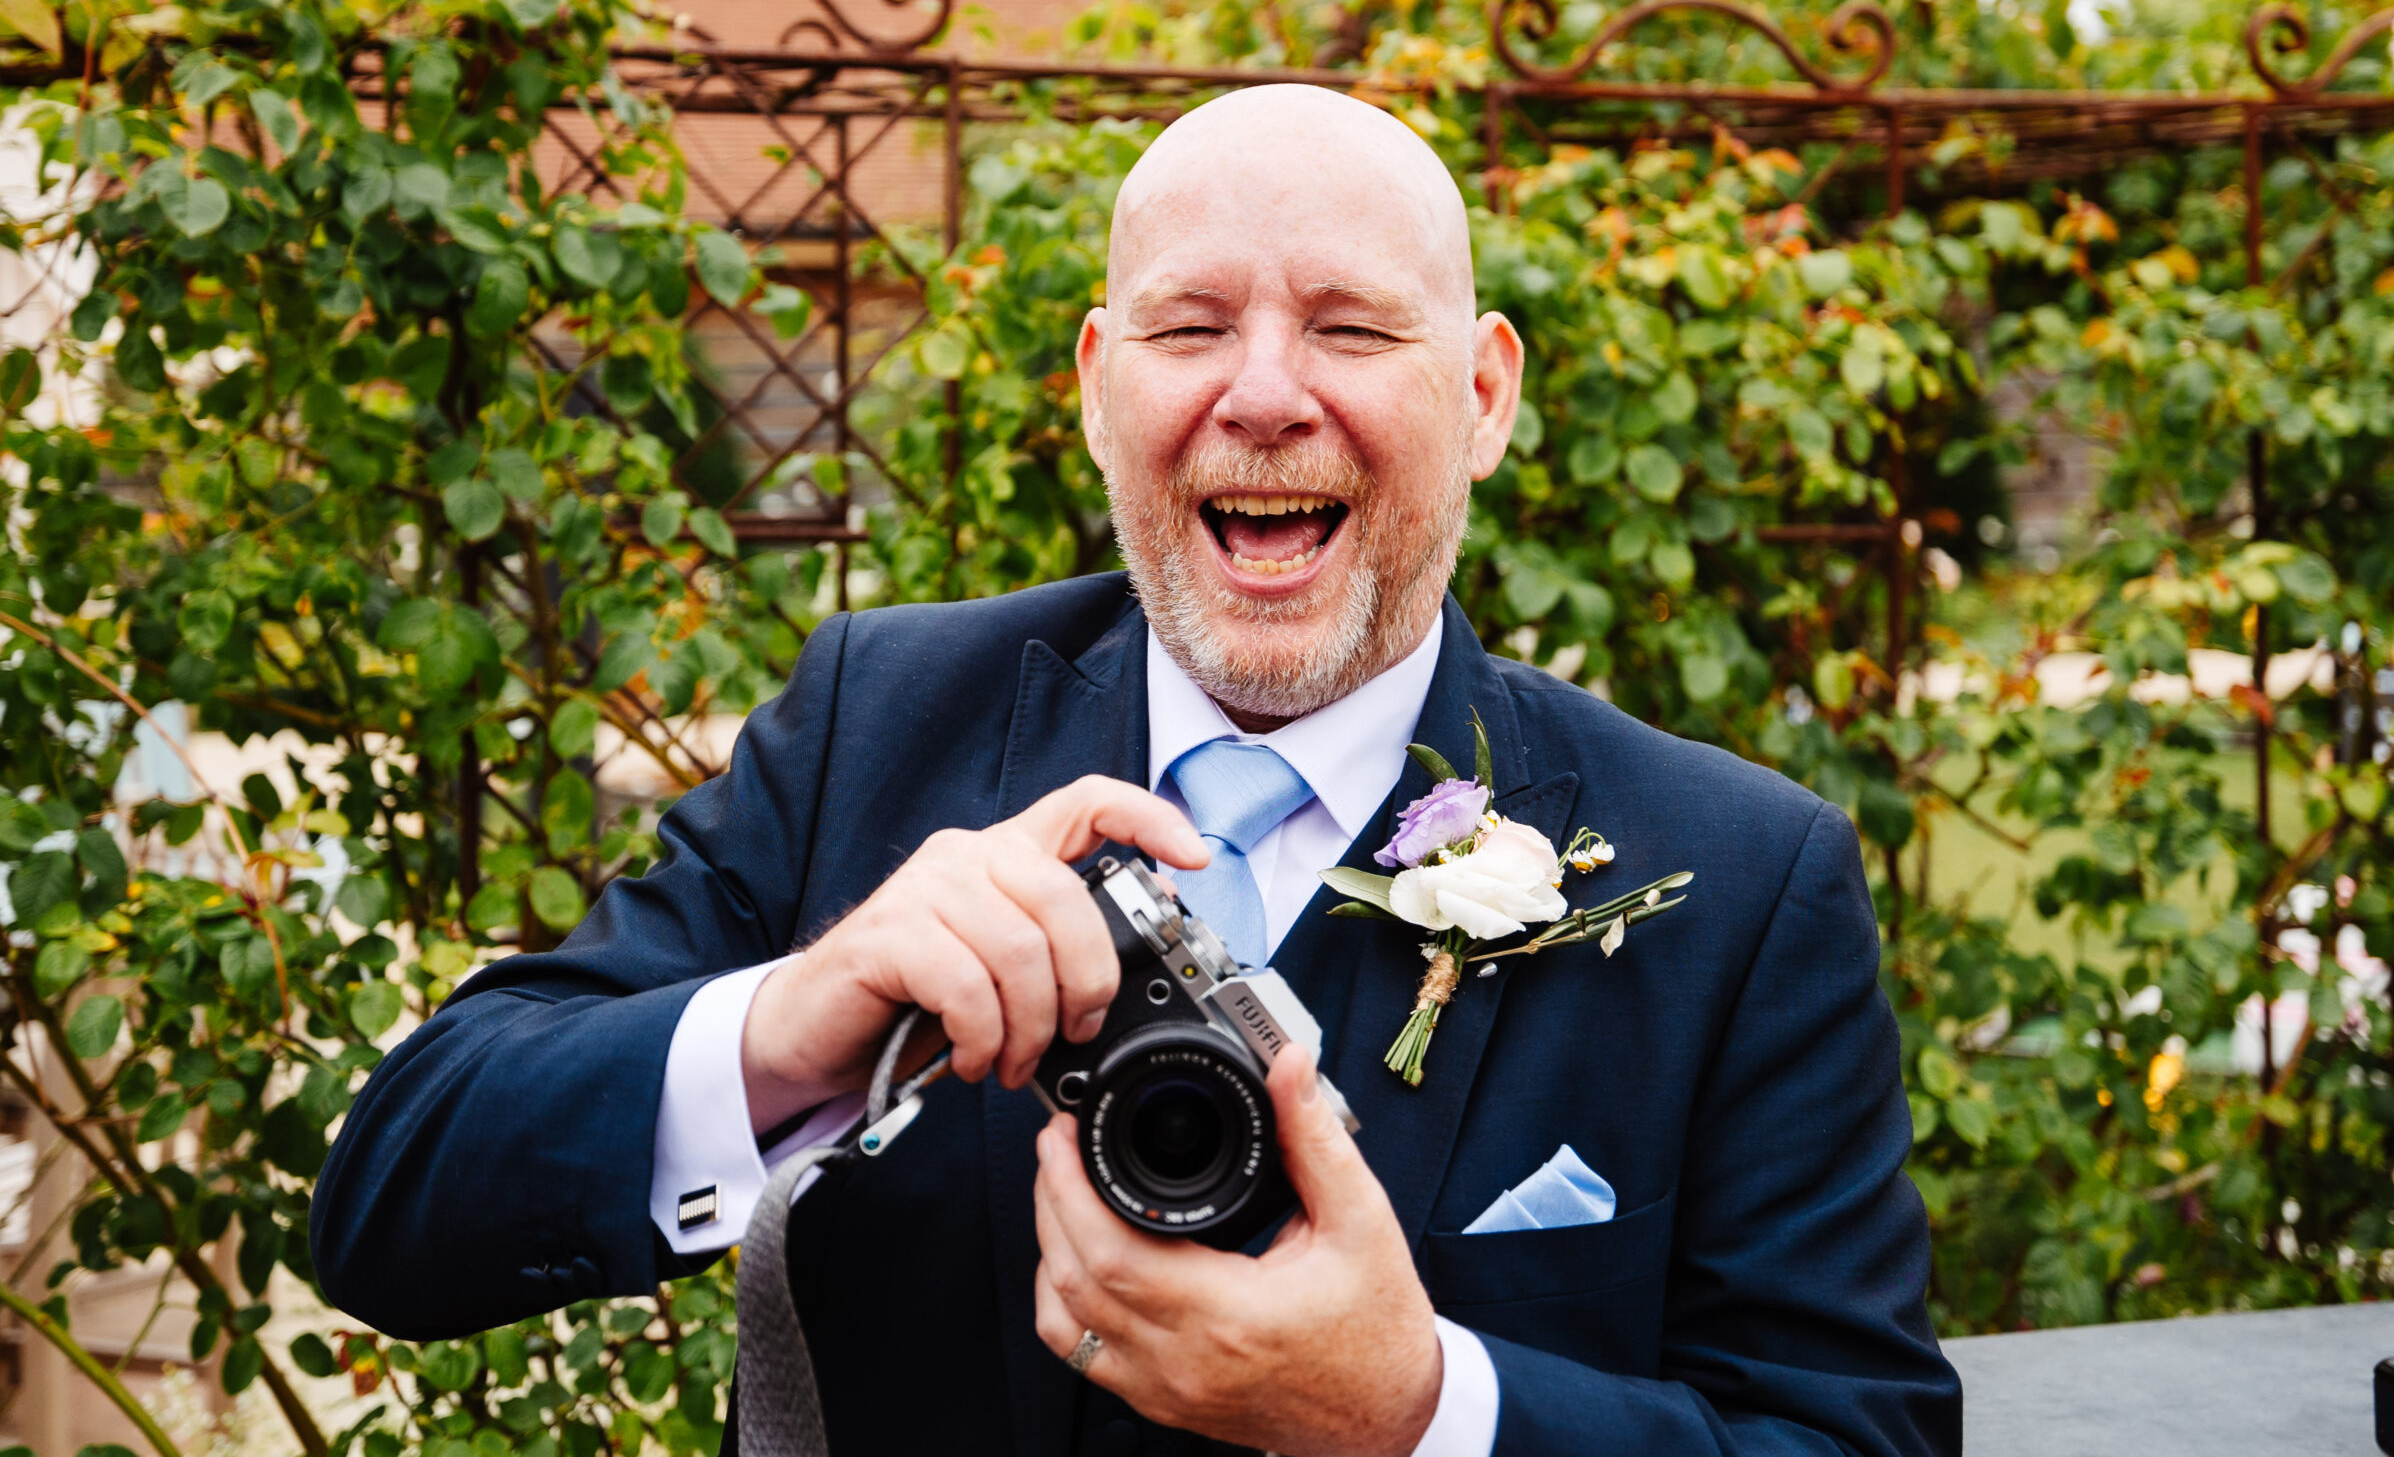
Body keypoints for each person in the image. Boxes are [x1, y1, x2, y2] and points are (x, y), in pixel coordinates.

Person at [312, 84, 1960, 1457]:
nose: (1261, 395)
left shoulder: (1741, 879)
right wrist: (787, 1024)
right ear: (1101, 390)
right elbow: (390, 1203)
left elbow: (1852, 1436)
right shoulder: (873, 722)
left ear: (1481, 397)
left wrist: (1424, 1411)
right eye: (1190, 327)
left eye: (1351, 326)